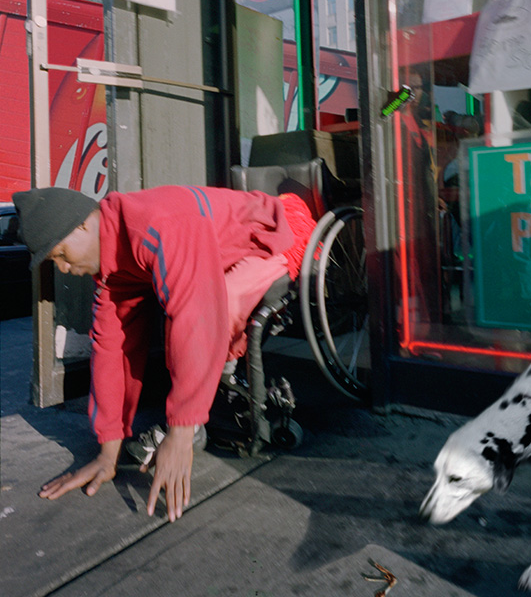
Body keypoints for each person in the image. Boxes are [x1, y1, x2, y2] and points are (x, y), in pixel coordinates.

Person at [13, 184, 315, 523]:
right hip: (224, 261)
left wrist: (181, 432)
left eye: (60, 254)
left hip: (280, 236)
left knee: (212, 305)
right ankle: (204, 400)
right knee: (173, 319)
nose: (63, 269)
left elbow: (196, 315)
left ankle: (214, 397)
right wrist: (108, 451)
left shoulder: (158, 224)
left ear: (82, 224)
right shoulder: (114, 266)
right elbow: (113, 349)